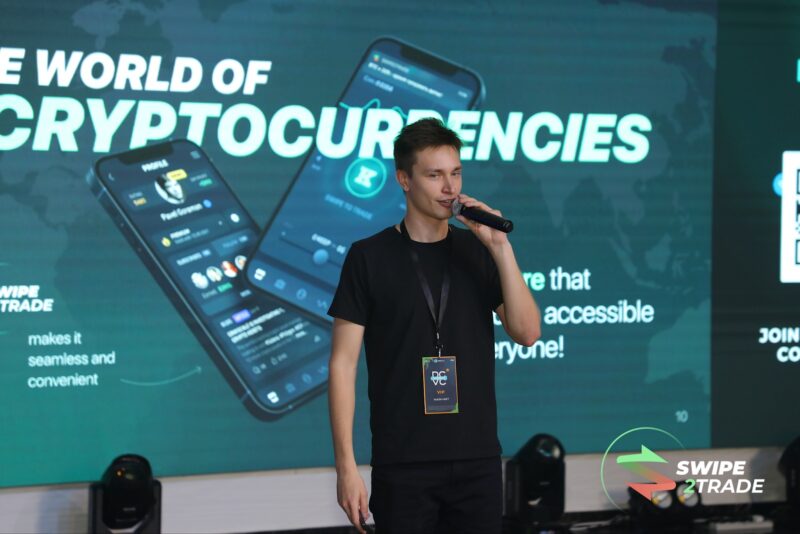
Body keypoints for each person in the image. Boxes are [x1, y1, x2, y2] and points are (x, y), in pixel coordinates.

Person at [328, 118, 540, 533]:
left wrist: (500, 248)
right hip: (403, 464)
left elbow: (528, 332)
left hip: (477, 460)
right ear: (404, 180)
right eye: (435, 175)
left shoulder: (478, 251)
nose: (450, 188)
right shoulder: (368, 257)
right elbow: (342, 364)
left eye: (456, 173)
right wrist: (346, 467)